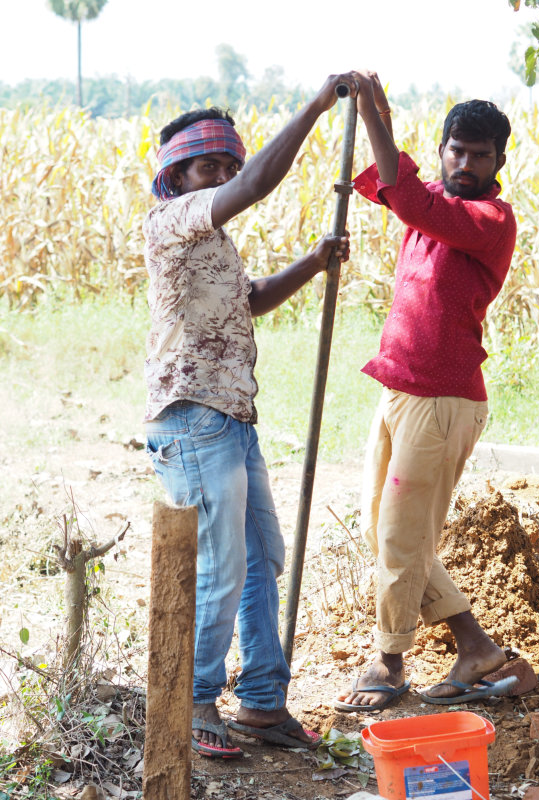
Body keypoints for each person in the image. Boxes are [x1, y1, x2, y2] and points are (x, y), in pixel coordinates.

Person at [143, 75, 353, 757]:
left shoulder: (215, 243)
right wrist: (318, 105)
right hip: (191, 418)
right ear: (177, 174)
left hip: (232, 418)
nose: (225, 177)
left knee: (263, 556)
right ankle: (196, 699)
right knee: (222, 565)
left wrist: (313, 264)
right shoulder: (173, 219)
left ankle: (262, 700)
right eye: (211, 166)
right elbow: (260, 184)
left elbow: (251, 299)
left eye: (230, 165)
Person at [335, 72, 518, 712]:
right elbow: (392, 188)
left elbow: (409, 198)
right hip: (400, 388)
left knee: (400, 540)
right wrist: (377, 113)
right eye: (455, 150)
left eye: (480, 155)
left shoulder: (487, 219)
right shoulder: (434, 201)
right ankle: (476, 648)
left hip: (444, 400)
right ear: (442, 150)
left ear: (499, 161)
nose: (465, 164)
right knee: (383, 531)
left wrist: (371, 115)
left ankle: (388, 660)